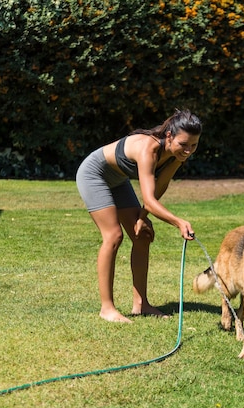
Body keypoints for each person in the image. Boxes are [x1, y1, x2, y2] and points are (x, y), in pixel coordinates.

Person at [76, 109, 201, 323]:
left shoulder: (177, 155)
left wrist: (142, 217)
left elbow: (159, 188)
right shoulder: (148, 148)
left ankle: (141, 304)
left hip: (118, 180)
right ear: (169, 136)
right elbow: (150, 199)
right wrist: (178, 222)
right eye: (184, 144)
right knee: (114, 236)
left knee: (143, 235)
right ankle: (107, 308)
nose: (188, 150)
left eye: (194, 145)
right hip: (94, 174)